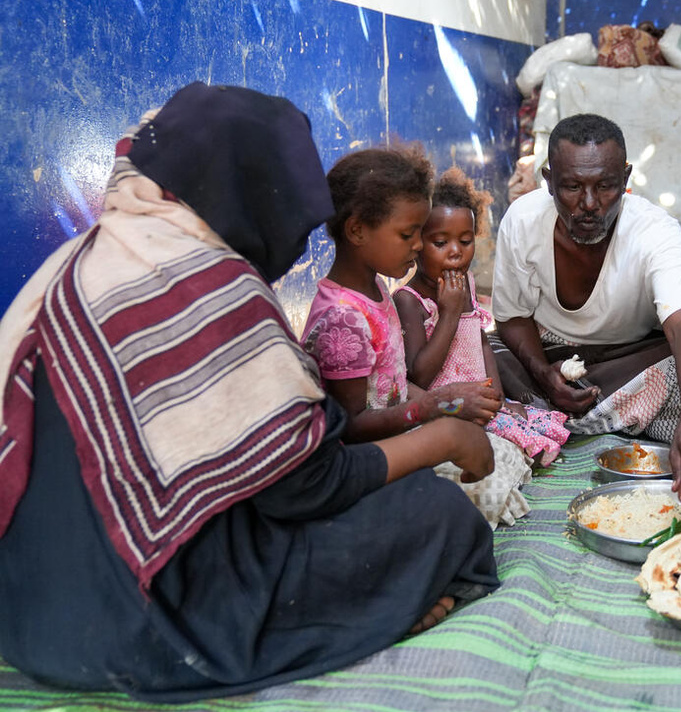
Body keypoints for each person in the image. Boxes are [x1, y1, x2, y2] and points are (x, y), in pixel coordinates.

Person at [0, 83, 499, 702]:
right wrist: (443, 436)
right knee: (437, 513)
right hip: (146, 628)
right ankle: (374, 612)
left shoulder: (72, 269)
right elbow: (306, 487)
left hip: (25, 614)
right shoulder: (210, 288)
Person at [491, 113, 681, 508]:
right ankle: (575, 412)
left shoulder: (656, 231)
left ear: (626, 178)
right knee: (483, 362)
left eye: (605, 187)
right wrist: (543, 376)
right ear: (548, 181)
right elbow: (511, 317)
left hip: (628, 360)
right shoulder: (523, 220)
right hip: (546, 356)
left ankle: (550, 422)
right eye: (571, 187)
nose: (588, 205)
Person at [301, 147, 531, 528]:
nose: (419, 245)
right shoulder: (343, 319)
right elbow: (353, 427)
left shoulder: (375, 289)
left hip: (402, 427)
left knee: (501, 451)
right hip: (367, 460)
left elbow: (394, 379)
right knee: (472, 488)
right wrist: (435, 408)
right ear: (357, 230)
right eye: (409, 234)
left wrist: (455, 408)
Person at [396, 167, 570, 470]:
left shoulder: (468, 283)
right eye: (440, 243)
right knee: (532, 448)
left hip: (480, 399)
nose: (455, 254)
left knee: (549, 424)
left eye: (465, 241)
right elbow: (418, 376)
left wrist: (498, 396)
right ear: (417, 243)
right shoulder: (409, 301)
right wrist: (449, 312)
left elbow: (481, 342)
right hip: (447, 408)